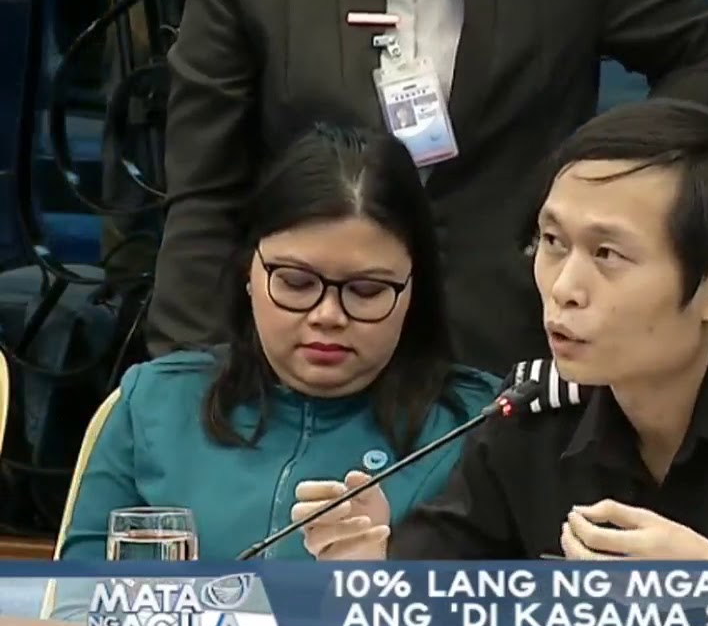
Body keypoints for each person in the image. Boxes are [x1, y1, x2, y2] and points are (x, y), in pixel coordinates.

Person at [291, 100, 708, 562]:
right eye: (552, 243)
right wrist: (377, 571)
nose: (564, 286)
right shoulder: (533, 418)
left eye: (608, 254)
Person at [148, 0, 708, 377]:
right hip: (312, 347)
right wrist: (184, 375)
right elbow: (205, 195)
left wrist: (616, 176)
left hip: (513, 342)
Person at [57, 123, 501, 563]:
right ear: (248, 272)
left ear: (414, 291)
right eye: (296, 283)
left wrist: (387, 575)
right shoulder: (154, 404)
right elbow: (76, 595)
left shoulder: (479, 430)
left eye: (366, 291)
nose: (327, 315)